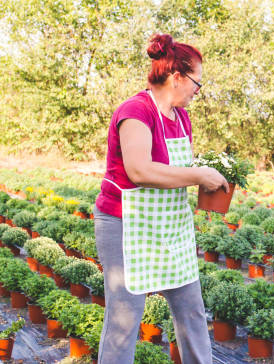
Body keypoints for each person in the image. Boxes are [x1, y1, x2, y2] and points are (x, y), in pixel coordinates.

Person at [93, 34, 228, 364]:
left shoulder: (181, 117)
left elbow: (174, 170)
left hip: (170, 229)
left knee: (192, 312)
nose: (199, 90)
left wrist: (210, 180)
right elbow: (139, 170)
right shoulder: (135, 111)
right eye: (197, 81)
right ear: (177, 77)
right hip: (126, 227)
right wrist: (198, 176)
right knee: (124, 320)